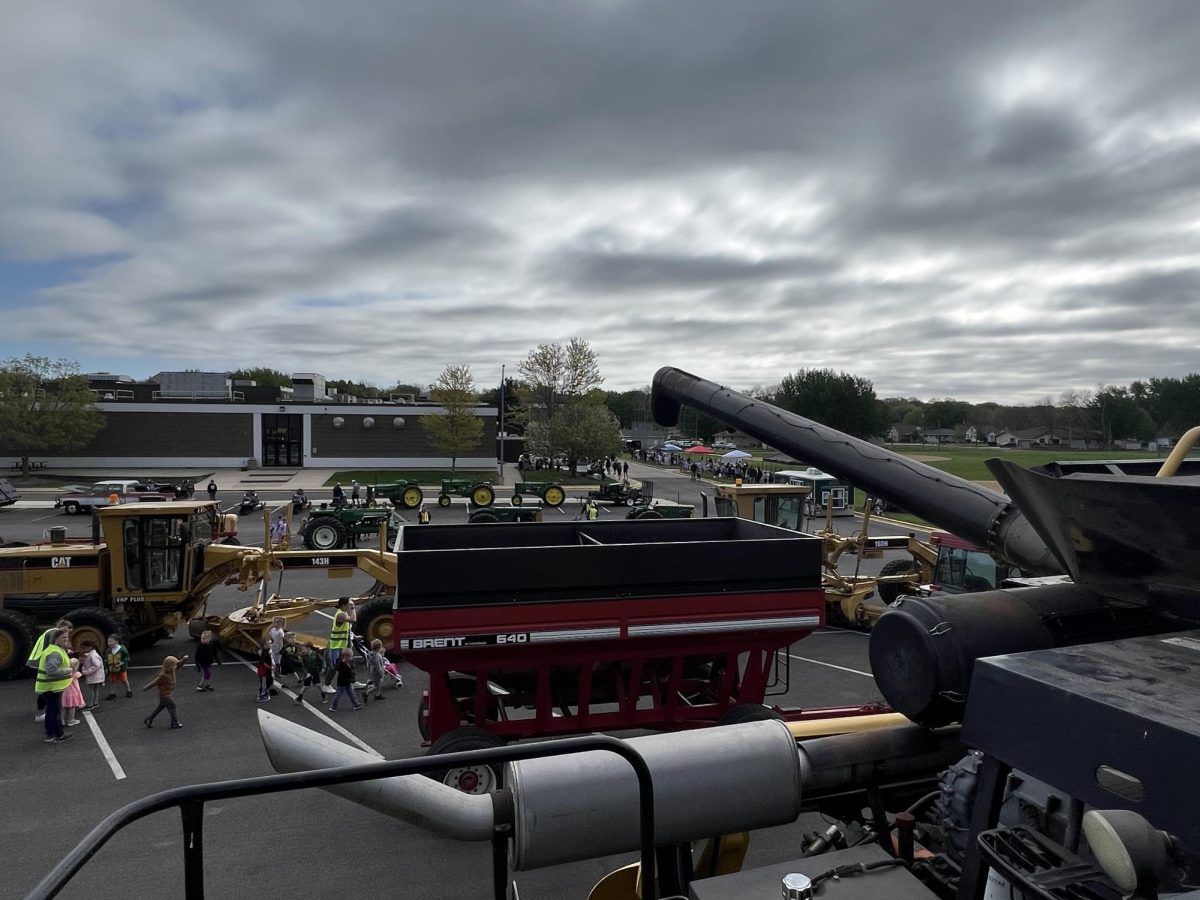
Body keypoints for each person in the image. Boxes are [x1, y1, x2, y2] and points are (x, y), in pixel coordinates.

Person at [28, 618, 72, 722]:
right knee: (45, 691)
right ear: (63, 626)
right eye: (67, 632)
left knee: (45, 690)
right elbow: (53, 647)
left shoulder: (49, 631)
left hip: (36, 661)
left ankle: (45, 712)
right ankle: (42, 714)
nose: (66, 636)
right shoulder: (53, 633)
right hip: (39, 663)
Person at [36, 629, 74, 743]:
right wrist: (69, 670)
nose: (66, 640)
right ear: (55, 639)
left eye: (67, 637)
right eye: (63, 638)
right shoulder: (54, 652)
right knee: (55, 711)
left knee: (50, 711)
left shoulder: (55, 650)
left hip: (49, 687)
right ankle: (59, 735)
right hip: (52, 687)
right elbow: (51, 671)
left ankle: (50, 734)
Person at [142, 654, 186, 729]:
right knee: (172, 706)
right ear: (169, 665)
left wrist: (184, 660)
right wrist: (146, 687)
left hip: (167, 694)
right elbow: (154, 682)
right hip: (165, 695)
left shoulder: (172, 670)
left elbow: (179, 665)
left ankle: (149, 719)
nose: (175, 666)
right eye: (174, 665)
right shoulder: (163, 675)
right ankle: (174, 723)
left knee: (160, 707)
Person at [325, 599, 351, 687]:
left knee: (348, 663)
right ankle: (327, 684)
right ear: (343, 606)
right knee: (334, 667)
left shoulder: (344, 613)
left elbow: (346, 628)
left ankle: (351, 682)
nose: (350, 606)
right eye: (349, 604)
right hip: (336, 646)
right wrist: (354, 608)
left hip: (343, 644)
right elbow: (353, 619)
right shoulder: (340, 615)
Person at [79, 640, 105, 709]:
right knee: (95, 690)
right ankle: (95, 703)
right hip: (97, 676)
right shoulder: (92, 655)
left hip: (93, 677)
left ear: (90, 647)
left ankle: (90, 704)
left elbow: (96, 665)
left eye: (84, 648)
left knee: (91, 691)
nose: (83, 649)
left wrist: (86, 672)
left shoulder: (93, 655)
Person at [105, 634, 132, 699]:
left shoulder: (122, 649)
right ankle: (112, 693)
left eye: (111, 641)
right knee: (112, 681)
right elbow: (106, 659)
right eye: (108, 641)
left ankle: (128, 690)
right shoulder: (108, 651)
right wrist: (107, 667)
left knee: (124, 680)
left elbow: (127, 657)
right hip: (112, 668)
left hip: (121, 669)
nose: (109, 643)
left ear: (116, 641)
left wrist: (122, 662)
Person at [62, 658, 85, 726]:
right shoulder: (76, 674)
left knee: (63, 707)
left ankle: (62, 720)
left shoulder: (65, 674)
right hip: (73, 692)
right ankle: (71, 720)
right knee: (72, 707)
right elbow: (80, 675)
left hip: (64, 692)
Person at [256, 638, 274, 703]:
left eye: (270, 643)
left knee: (269, 680)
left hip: (266, 670)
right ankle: (262, 694)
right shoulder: (264, 652)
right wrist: (270, 667)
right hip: (264, 670)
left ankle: (264, 692)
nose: (270, 644)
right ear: (264, 645)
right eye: (268, 643)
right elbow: (263, 662)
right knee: (266, 681)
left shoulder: (268, 651)